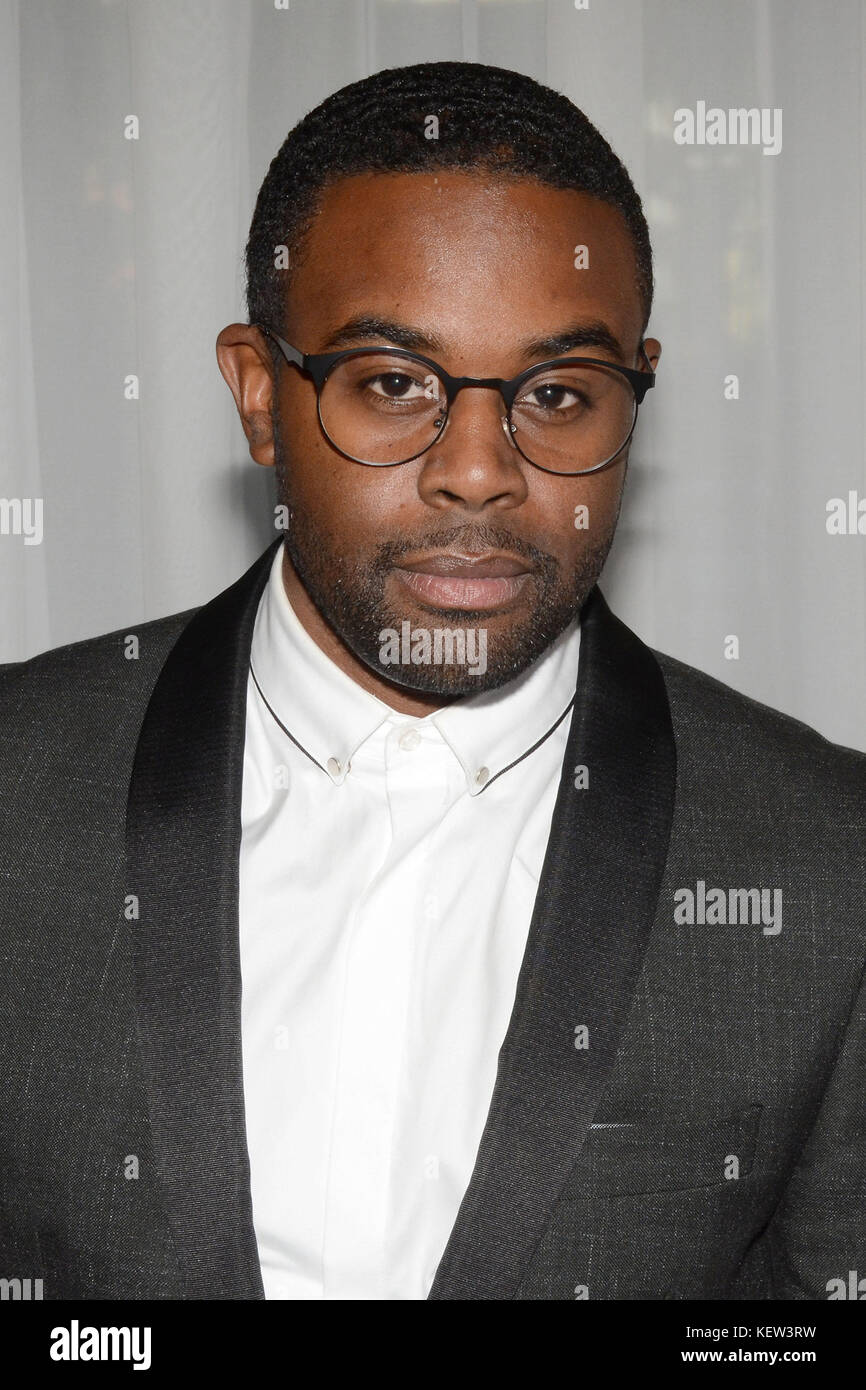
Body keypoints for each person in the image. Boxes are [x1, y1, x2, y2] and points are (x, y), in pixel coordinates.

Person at [1, 60, 863, 1303]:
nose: (476, 472)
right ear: (258, 393)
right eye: (394, 383)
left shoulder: (825, 862)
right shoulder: (21, 783)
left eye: (557, 394)